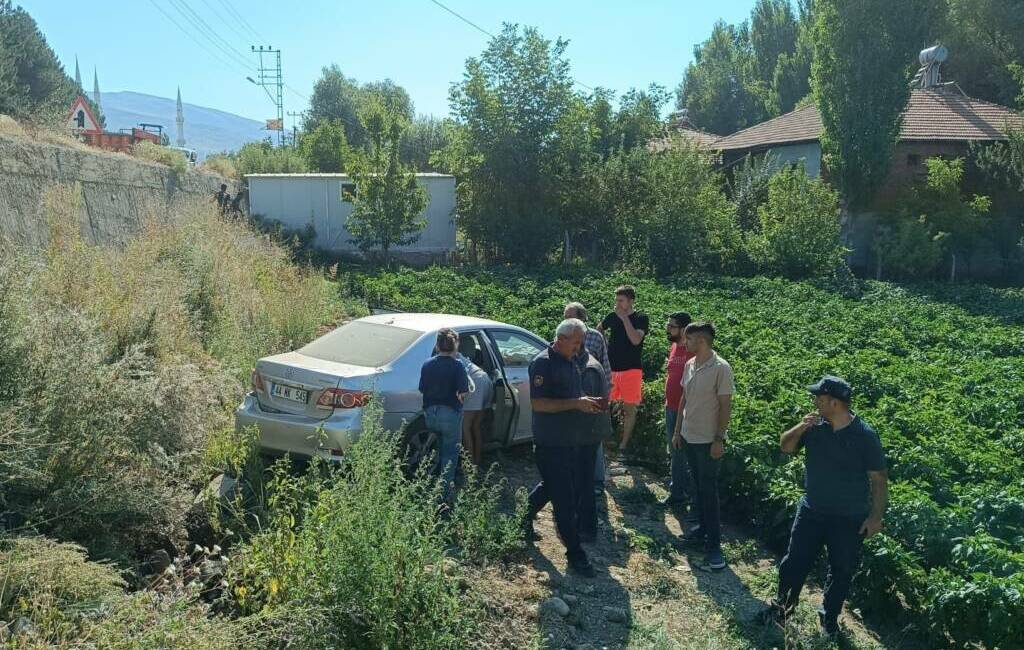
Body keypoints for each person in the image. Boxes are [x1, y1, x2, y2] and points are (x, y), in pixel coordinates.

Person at [758, 376, 888, 639]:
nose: (815, 401)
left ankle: (829, 618)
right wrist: (801, 427)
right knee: (794, 561)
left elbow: (879, 479)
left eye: (819, 397)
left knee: (842, 569)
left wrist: (875, 518)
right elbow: (785, 446)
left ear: (835, 403)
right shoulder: (815, 427)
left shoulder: (865, 435)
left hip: (848, 517)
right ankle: (783, 608)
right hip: (812, 509)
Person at [524, 318, 603, 577]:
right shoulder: (543, 363)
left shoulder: (570, 361)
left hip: (570, 439)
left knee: (553, 485)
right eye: (577, 342)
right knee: (565, 499)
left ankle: (521, 517)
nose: (579, 348)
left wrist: (585, 404)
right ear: (561, 339)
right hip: (550, 441)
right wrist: (575, 404)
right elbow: (539, 405)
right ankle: (575, 553)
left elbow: (572, 398)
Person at [672, 321, 733, 571]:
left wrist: (719, 439)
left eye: (689, 339)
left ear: (702, 341)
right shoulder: (690, 364)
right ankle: (701, 532)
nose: (684, 343)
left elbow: (725, 406)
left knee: (709, 492)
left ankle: (714, 547)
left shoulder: (721, 368)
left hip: (708, 441)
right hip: (688, 436)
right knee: (697, 488)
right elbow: (683, 399)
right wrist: (677, 431)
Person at [564, 301, 612, 496]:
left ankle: (597, 481)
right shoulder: (563, 335)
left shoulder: (595, 337)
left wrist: (605, 397)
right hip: (572, 396)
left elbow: (605, 367)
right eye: (565, 317)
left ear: (582, 318)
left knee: (594, 439)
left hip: (593, 395)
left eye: (570, 317)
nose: (566, 320)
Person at [418, 328, 471, 503]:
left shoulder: (427, 363)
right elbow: (463, 392)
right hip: (449, 414)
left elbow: (422, 389)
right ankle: (443, 496)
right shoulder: (458, 365)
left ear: (437, 345)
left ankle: (425, 483)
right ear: (455, 344)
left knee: (437, 448)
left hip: (430, 414)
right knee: (450, 453)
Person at [599, 285, 648, 454]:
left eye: (621, 301)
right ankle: (605, 439)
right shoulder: (612, 316)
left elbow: (635, 340)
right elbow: (599, 330)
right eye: (616, 300)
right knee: (604, 404)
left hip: (631, 369)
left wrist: (624, 319)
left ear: (631, 301)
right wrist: (604, 345)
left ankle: (623, 445)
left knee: (629, 409)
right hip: (611, 368)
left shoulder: (641, 318)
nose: (618, 304)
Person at [660, 311, 694, 508]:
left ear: (683, 329)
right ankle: (678, 490)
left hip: (686, 410)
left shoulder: (693, 351)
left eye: (672, 326)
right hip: (670, 406)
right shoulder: (673, 346)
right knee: (675, 451)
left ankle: (680, 493)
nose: (668, 329)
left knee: (681, 452)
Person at [457, 336, 492, 467]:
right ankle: (476, 460)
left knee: (465, 427)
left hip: (475, 383)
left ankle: (470, 466)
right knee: (475, 426)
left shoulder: (449, 356)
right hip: (484, 378)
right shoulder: (458, 355)